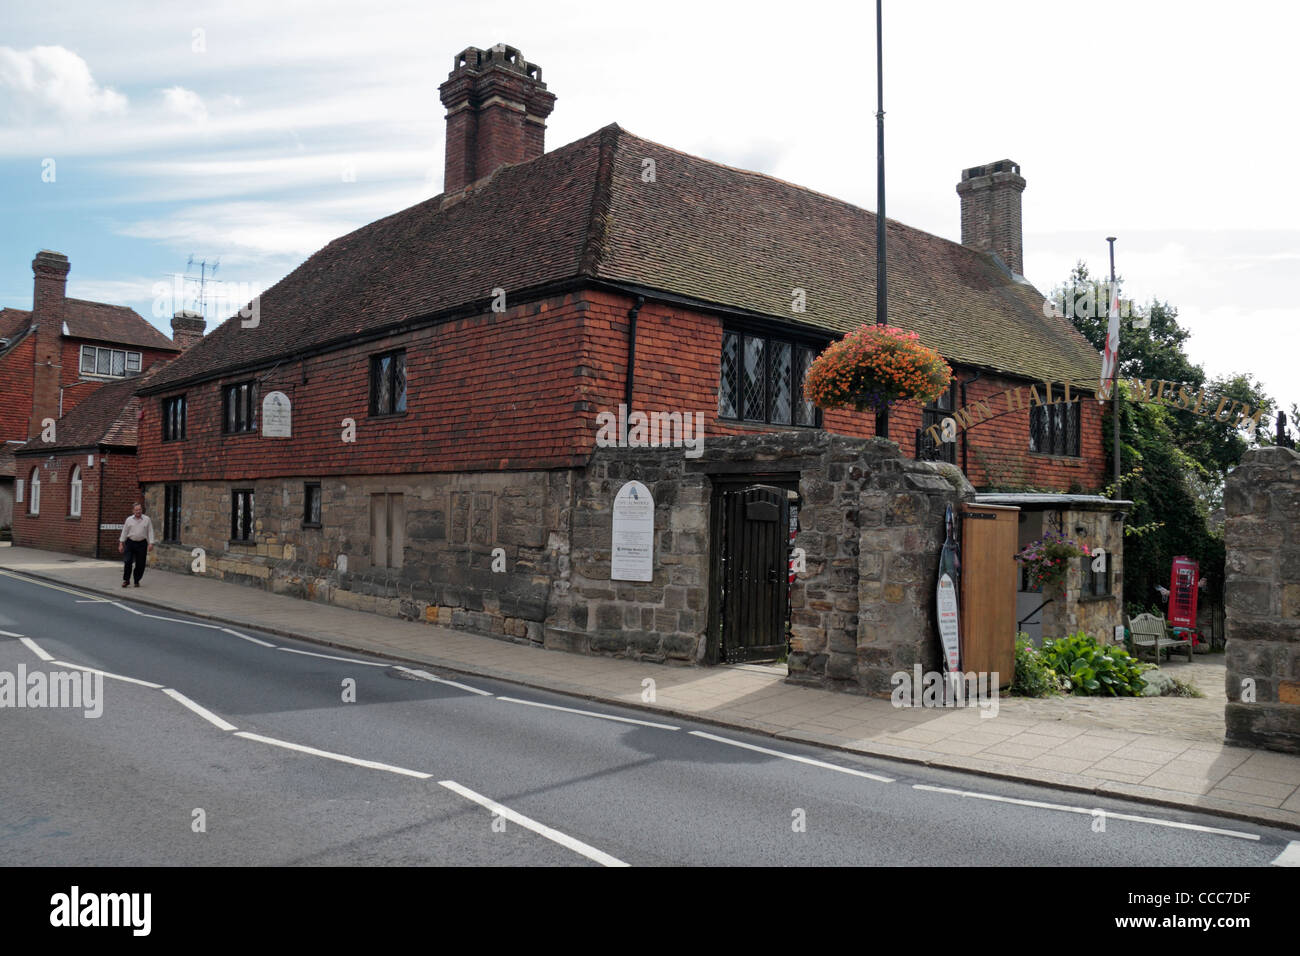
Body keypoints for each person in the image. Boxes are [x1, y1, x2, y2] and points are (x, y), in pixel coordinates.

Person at [118, 502, 155, 588]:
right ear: (133, 511)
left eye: (140, 509)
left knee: (140, 564)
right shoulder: (129, 520)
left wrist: (151, 543)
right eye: (136, 510)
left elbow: (150, 531)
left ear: (142, 510)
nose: (138, 511)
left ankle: (136, 580)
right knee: (127, 561)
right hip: (130, 542)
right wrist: (121, 543)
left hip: (142, 543)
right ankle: (126, 580)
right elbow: (124, 532)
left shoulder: (147, 519)